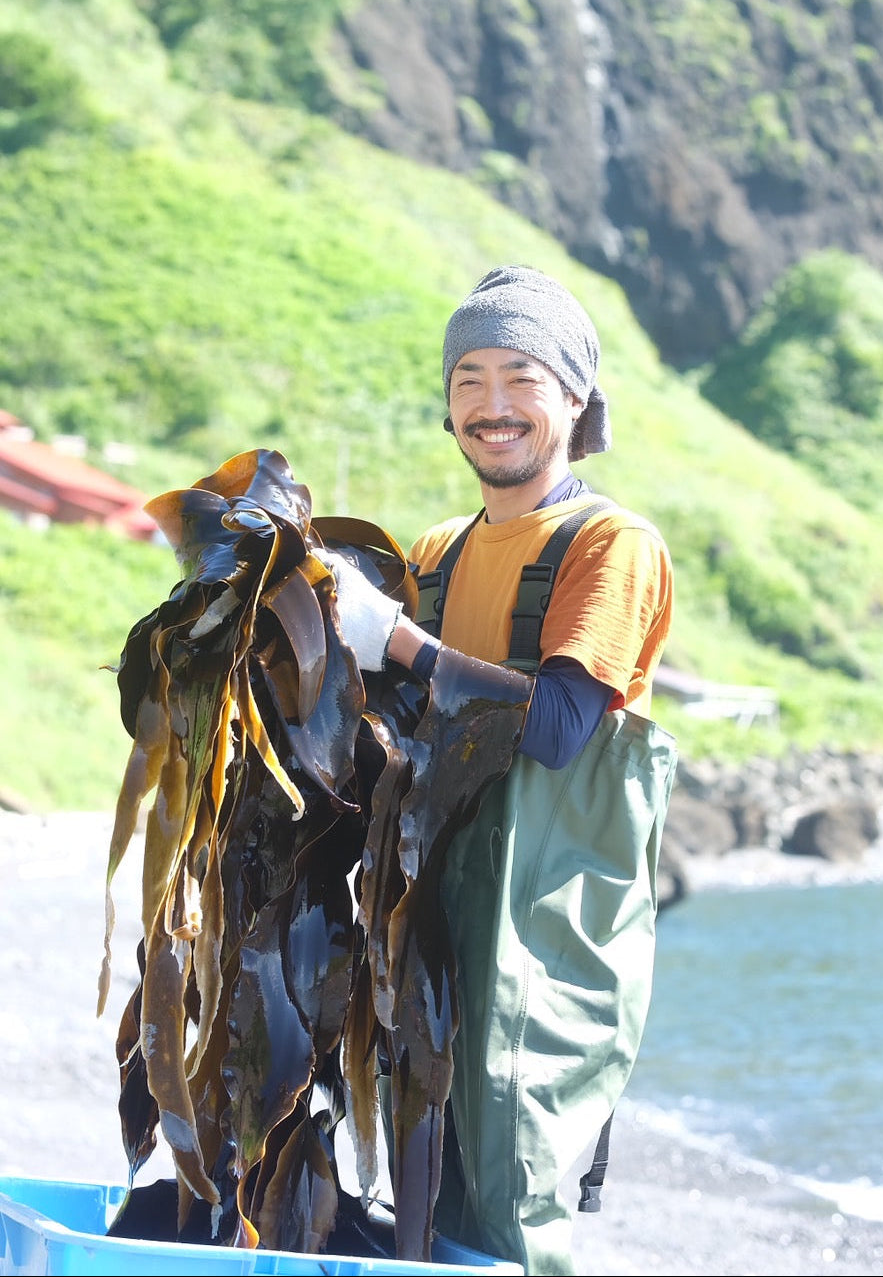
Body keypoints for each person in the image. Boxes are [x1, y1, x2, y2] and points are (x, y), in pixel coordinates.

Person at [324, 265, 677, 1274]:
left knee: (513, 1191)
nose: (491, 405)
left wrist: (395, 642)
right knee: (422, 1202)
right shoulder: (434, 554)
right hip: (427, 915)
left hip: (552, 933)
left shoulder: (609, 544)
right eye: (467, 377)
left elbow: (561, 725)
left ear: (573, 395)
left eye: (520, 375)